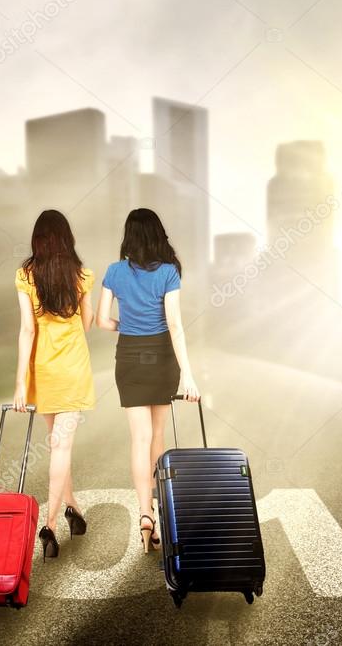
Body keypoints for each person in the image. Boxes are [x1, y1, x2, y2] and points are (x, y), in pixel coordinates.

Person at [96, 208, 201, 553]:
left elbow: (101, 321)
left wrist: (124, 326)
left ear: (129, 235)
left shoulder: (114, 272)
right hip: (161, 358)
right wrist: (187, 372)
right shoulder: (169, 272)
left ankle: (144, 514)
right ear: (157, 234)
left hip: (128, 358)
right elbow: (174, 324)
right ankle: (161, 511)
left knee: (138, 439)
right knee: (157, 434)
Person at [13, 210, 94, 561]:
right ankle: (49, 525)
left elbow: (27, 330)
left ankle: (72, 510)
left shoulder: (25, 275)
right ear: (66, 239)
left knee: (59, 446)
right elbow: (88, 323)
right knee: (61, 449)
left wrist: (20, 384)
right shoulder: (82, 275)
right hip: (74, 369)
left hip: (43, 369)